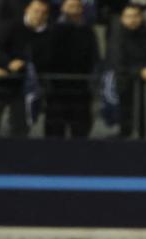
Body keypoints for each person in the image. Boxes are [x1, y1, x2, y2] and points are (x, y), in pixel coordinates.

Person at [108, 3, 146, 138]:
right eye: (129, 16)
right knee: (128, 125)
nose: (133, 20)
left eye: (136, 16)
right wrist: (139, 72)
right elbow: (118, 64)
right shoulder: (117, 38)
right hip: (127, 90)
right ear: (122, 19)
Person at [0, 0, 51, 137]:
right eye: (36, 11)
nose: (38, 15)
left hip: (24, 88)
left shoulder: (47, 34)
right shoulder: (11, 26)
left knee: (20, 128)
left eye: (43, 13)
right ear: (27, 10)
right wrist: (8, 64)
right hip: (2, 82)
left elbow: (46, 59)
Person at [46, 0, 97, 138]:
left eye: (76, 7)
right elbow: (48, 56)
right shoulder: (52, 30)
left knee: (80, 131)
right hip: (56, 88)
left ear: (82, 10)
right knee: (54, 132)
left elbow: (93, 57)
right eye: (70, 7)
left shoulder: (88, 31)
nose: (73, 11)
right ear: (62, 8)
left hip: (80, 87)